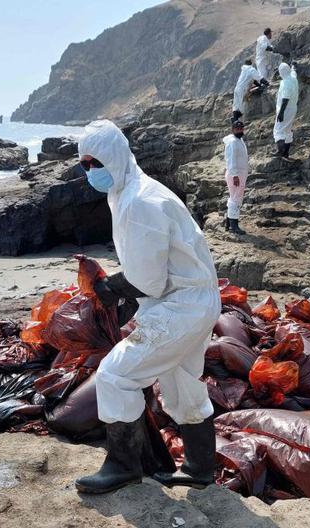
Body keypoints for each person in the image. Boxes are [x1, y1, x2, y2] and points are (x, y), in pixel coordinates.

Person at [73, 120, 222, 495]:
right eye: (84, 164)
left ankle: (124, 466)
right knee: (181, 383)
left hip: (181, 306)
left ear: (116, 157)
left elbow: (148, 280)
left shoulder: (140, 201)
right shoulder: (129, 190)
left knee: (115, 375)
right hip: (191, 300)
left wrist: (109, 289)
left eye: (96, 162)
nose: (91, 171)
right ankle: (200, 469)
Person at [223, 121, 249, 235]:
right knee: (236, 199)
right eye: (237, 129)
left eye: (241, 129)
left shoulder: (239, 140)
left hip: (240, 173)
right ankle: (234, 226)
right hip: (236, 174)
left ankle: (228, 223)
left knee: (234, 197)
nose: (240, 130)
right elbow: (230, 159)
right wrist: (234, 175)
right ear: (233, 129)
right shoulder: (233, 142)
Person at [273, 63, 299, 159]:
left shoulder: (286, 83)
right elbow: (294, 71)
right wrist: (293, 66)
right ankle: (286, 153)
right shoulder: (293, 77)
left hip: (286, 109)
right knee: (287, 130)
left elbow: (285, 99)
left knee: (278, 130)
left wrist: (281, 113)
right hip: (293, 108)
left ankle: (280, 151)